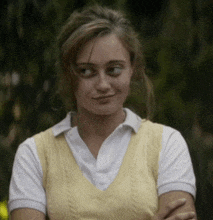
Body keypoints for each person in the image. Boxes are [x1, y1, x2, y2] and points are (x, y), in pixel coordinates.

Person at [8, 5, 197, 220]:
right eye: (87, 71)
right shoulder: (34, 154)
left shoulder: (166, 143)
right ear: (68, 74)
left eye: (114, 69)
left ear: (132, 68)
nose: (103, 84)